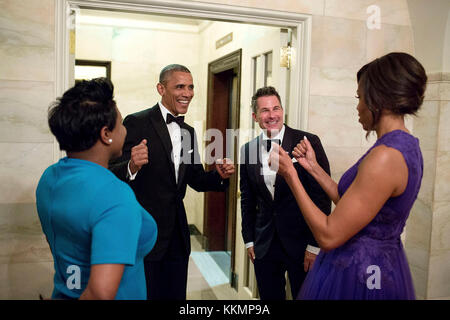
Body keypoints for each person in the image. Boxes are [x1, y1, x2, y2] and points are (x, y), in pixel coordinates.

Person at [272, 52, 426, 299]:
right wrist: (313, 168)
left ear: (377, 99)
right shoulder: (405, 144)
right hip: (381, 261)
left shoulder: (386, 156)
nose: (358, 106)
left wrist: (291, 175)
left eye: (360, 97)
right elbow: (353, 206)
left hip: (361, 272)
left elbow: (329, 235)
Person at [109, 64, 235, 300]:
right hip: (146, 233)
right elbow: (111, 172)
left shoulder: (188, 131)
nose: (187, 93)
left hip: (178, 237)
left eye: (190, 87)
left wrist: (219, 175)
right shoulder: (137, 122)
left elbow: (195, 179)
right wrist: (132, 166)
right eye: (179, 87)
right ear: (161, 88)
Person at [36, 78, 157, 300]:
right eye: (121, 124)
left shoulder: (49, 179)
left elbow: (66, 246)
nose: (124, 130)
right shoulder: (115, 195)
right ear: (106, 134)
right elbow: (101, 293)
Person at [240, 86, 331, 300]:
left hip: (302, 244)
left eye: (276, 108)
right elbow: (247, 199)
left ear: (282, 110)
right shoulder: (247, 150)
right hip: (264, 245)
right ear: (255, 116)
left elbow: (321, 196)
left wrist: (315, 245)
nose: (272, 115)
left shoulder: (308, 142)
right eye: (264, 111)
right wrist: (249, 240)